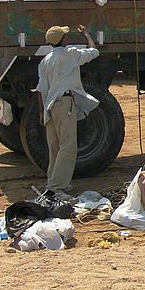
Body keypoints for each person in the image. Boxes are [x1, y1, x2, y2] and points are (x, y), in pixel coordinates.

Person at [36, 25, 99, 195]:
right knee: (68, 146)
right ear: (62, 40)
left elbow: (41, 89)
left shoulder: (45, 61)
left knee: (55, 146)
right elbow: (94, 52)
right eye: (65, 35)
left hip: (51, 106)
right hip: (64, 104)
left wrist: (42, 112)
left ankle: (55, 182)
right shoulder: (70, 54)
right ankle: (56, 187)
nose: (68, 38)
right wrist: (86, 34)